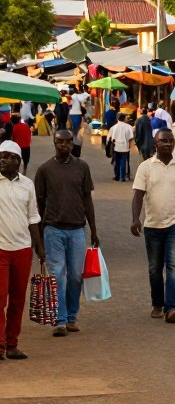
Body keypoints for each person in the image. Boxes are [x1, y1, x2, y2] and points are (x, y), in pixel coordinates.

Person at [34, 130, 100, 336]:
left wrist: (94, 230)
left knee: (75, 276)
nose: (63, 145)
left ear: (72, 144)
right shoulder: (44, 170)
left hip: (77, 230)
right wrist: (39, 237)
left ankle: (72, 317)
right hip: (53, 229)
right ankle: (60, 320)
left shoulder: (82, 167)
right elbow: (39, 205)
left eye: (67, 142)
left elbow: (87, 200)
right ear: (54, 143)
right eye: (59, 142)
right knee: (57, 276)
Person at [131, 128, 175, 323]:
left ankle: (172, 308)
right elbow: (137, 195)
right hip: (152, 226)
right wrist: (135, 218)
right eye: (163, 141)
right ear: (155, 144)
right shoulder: (145, 167)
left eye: (170, 141)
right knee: (154, 268)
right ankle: (157, 304)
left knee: (173, 266)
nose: (167, 144)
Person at [0, 141, 45, 360]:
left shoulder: (27, 185)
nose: (3, 160)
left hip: (22, 248)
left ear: (18, 161)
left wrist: (40, 247)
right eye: (1, 155)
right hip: (0, 249)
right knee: (0, 298)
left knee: (18, 298)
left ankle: (12, 344)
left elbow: (33, 217)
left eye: (8, 156)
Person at [107, 113, 135, 182]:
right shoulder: (128, 127)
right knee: (123, 162)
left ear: (117, 118)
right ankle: (122, 177)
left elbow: (108, 138)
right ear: (124, 118)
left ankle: (117, 176)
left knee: (117, 161)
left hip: (116, 146)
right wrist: (130, 145)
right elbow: (131, 137)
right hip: (125, 147)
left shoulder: (113, 127)